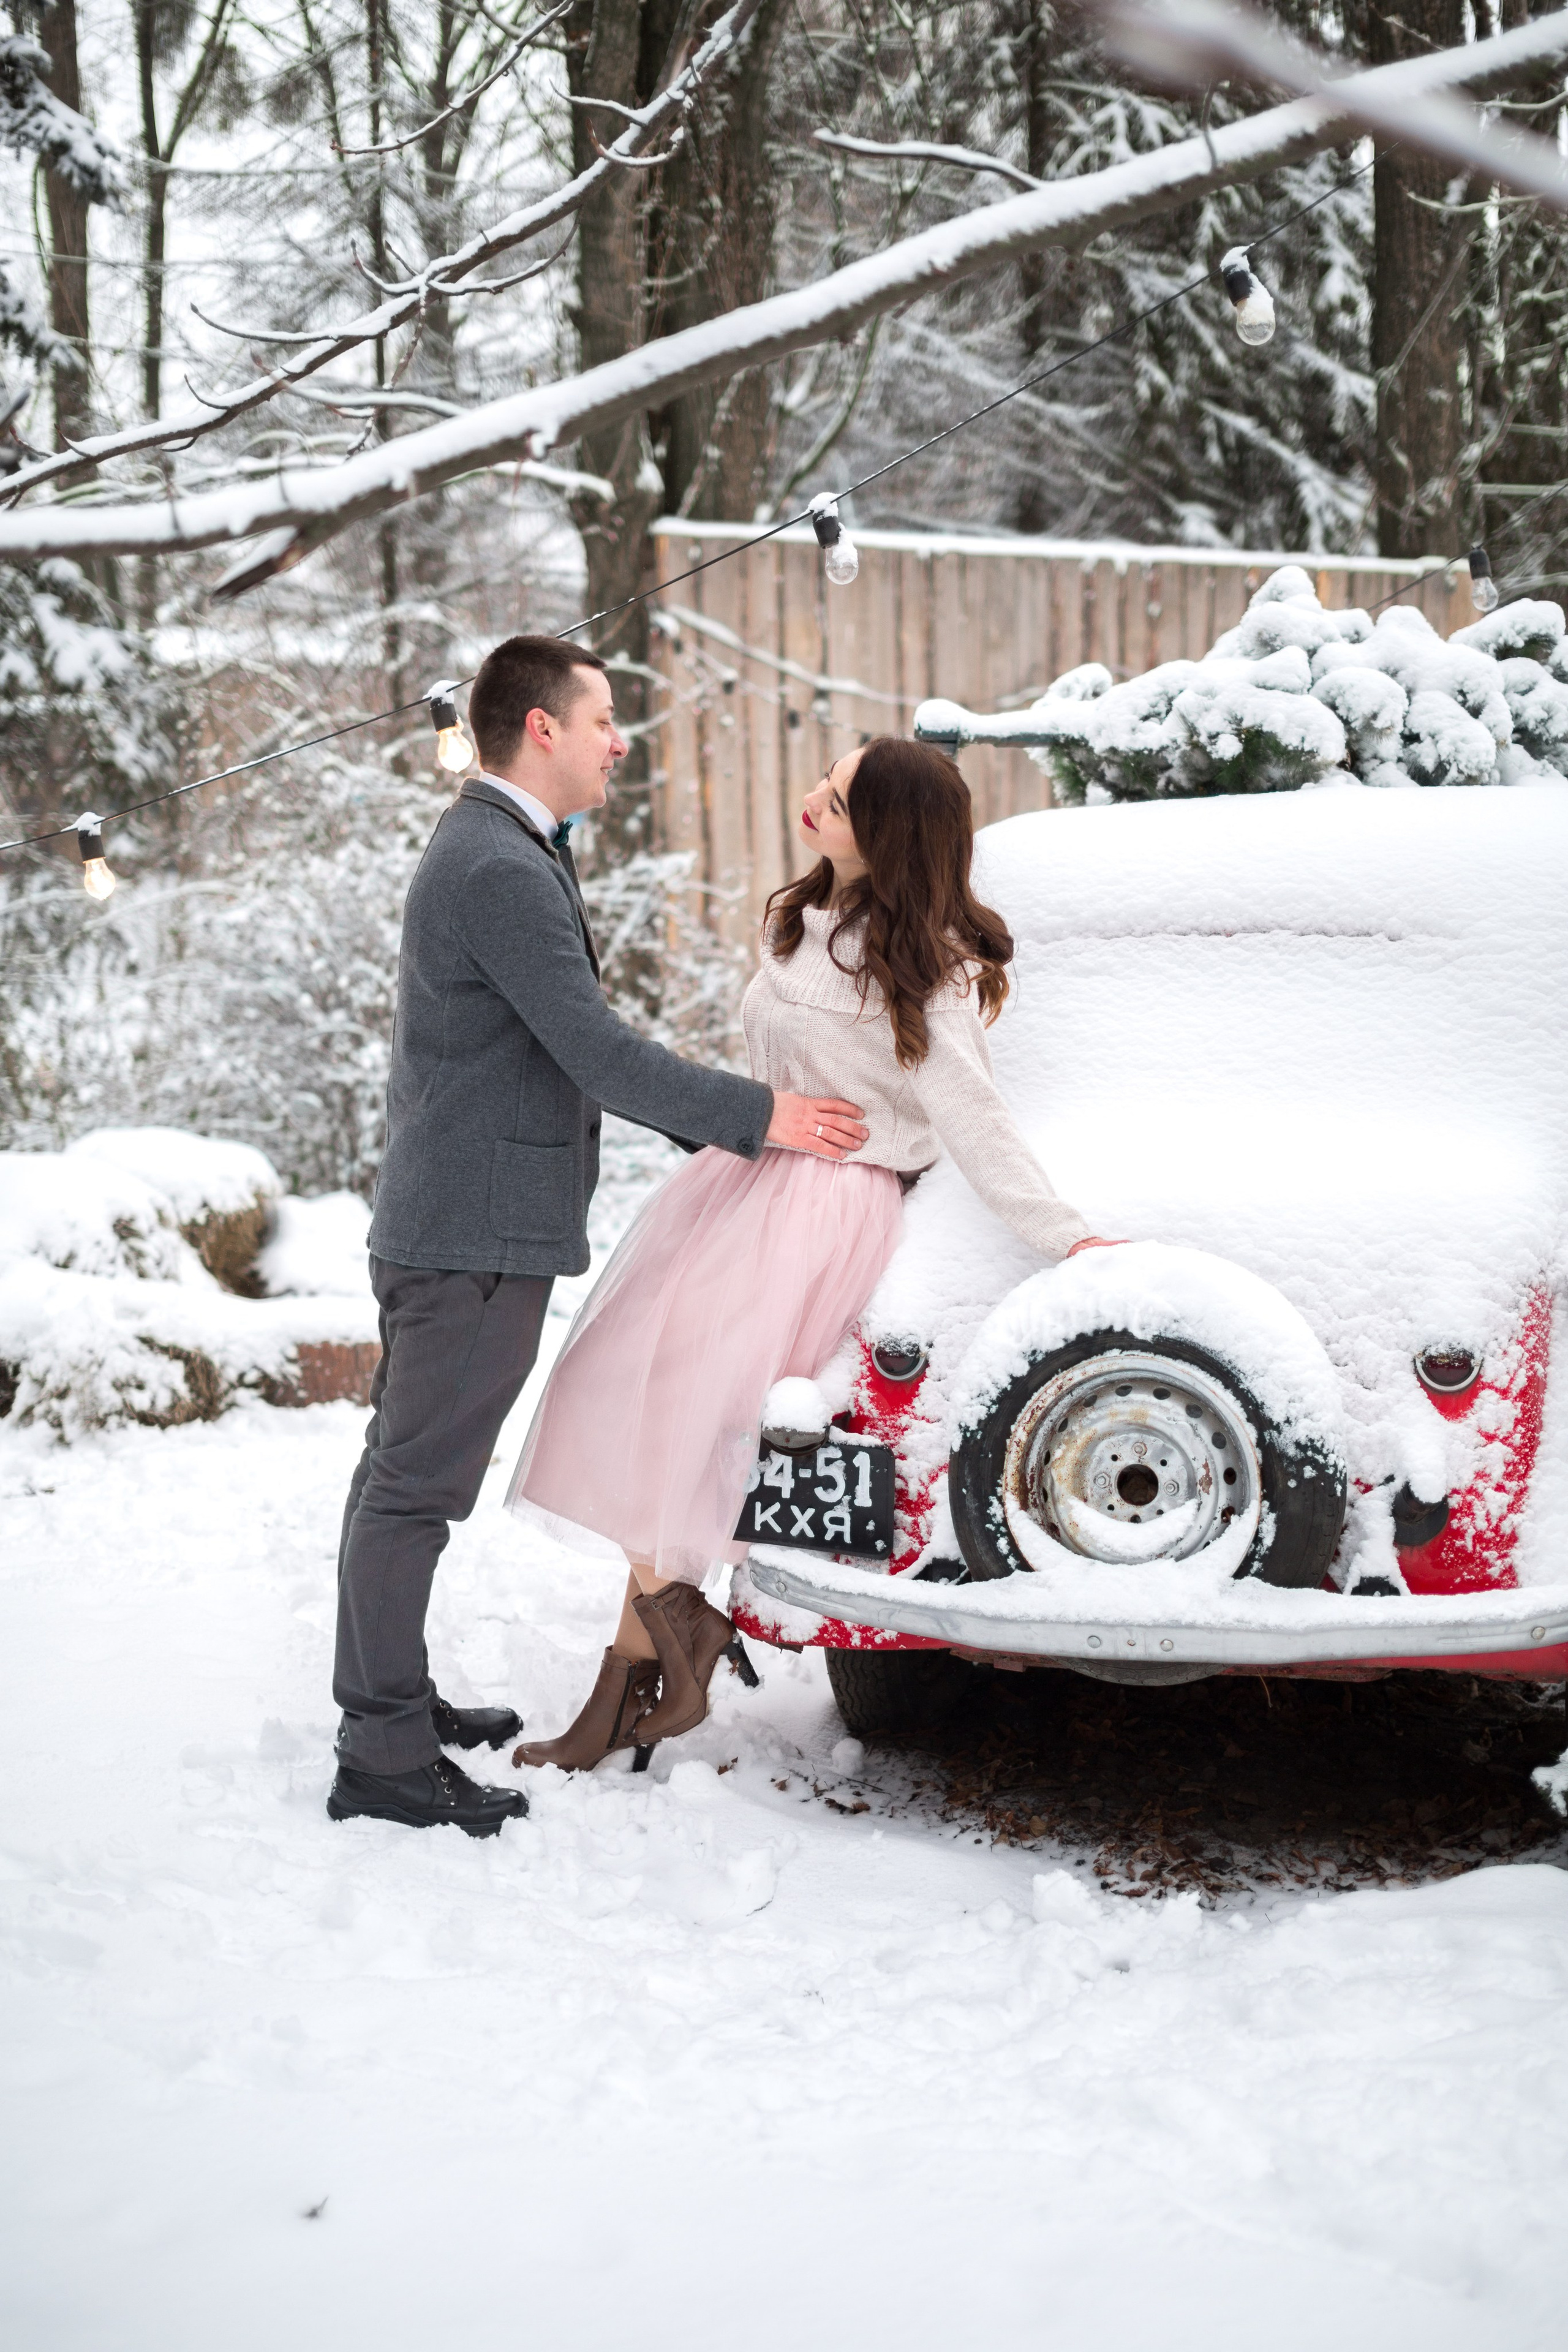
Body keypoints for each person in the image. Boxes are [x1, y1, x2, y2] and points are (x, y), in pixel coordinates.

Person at [326, 636, 868, 1837]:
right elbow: (595, 1050)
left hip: (469, 1222)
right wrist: (763, 1118)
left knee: (407, 1481)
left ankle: (394, 1707)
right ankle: (379, 1752)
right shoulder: (497, 866)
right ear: (541, 731)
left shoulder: (503, 848)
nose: (623, 739)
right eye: (605, 717)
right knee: (413, 1490)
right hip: (469, 1234)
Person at [509, 733, 1115, 1775]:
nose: (810, 803)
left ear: (886, 835)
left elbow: (974, 1119)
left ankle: (631, 1679)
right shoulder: (798, 918)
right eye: (823, 786)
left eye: (835, 801)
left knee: (690, 1422)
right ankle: (662, 1648)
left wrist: (1066, 1234)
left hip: (825, 1211)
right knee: (639, 1399)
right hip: (745, 1184)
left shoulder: (931, 968)